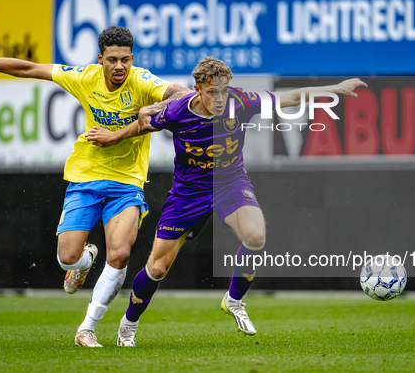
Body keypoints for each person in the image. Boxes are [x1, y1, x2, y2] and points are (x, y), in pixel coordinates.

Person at [85, 56, 366, 346]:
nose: (220, 99)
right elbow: (142, 125)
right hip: (188, 192)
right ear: (197, 89)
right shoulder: (176, 111)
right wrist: (113, 136)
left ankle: (234, 299)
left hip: (230, 184)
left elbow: (290, 98)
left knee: (256, 236)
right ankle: (129, 323)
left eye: (224, 90)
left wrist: (337, 87)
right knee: (157, 268)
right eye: (212, 92)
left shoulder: (241, 101)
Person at [0, 26, 192, 347]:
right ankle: (83, 262)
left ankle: (87, 328)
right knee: (67, 258)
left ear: (132, 59)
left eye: (125, 60)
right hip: (86, 176)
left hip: (127, 181)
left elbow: (181, 94)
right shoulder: (84, 78)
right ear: (100, 59)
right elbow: (29, 68)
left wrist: (152, 111)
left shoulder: (142, 81)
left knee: (121, 254)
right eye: (112, 60)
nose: (119, 67)